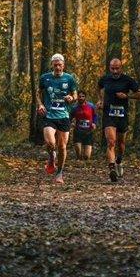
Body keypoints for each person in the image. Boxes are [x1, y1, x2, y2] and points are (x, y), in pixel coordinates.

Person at [97, 58, 140, 182]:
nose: (115, 71)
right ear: (109, 68)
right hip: (109, 114)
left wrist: (127, 96)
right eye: (112, 68)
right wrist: (100, 101)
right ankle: (112, 169)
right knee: (111, 142)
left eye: (117, 68)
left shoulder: (128, 80)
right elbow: (100, 88)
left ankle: (119, 161)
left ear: (121, 68)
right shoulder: (105, 79)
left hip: (122, 115)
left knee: (121, 144)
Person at [36, 53, 78, 184]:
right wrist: (40, 104)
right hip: (49, 115)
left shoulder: (69, 78)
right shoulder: (45, 78)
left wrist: (72, 98)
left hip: (64, 116)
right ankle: (51, 156)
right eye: (55, 65)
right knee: (50, 142)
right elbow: (38, 92)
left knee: (62, 146)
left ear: (63, 65)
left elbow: (75, 94)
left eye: (60, 65)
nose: (58, 68)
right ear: (52, 65)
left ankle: (59, 173)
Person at [70, 91, 97, 160]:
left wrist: (94, 123)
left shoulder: (91, 106)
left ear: (85, 97)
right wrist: (71, 123)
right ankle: (79, 164)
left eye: (83, 96)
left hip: (88, 132)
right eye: (79, 96)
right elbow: (70, 117)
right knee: (79, 154)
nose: (81, 98)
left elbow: (95, 115)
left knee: (86, 156)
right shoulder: (74, 107)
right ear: (77, 97)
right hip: (78, 131)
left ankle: (84, 163)